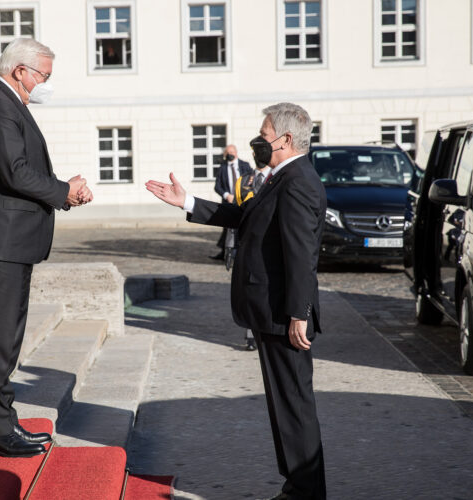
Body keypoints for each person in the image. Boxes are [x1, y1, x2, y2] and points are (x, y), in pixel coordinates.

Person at [146, 103, 326, 499]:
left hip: (284, 314)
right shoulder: (281, 177)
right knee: (284, 405)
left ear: (286, 139)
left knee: (294, 405)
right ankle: (297, 485)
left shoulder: (297, 180)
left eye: (264, 135)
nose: (258, 141)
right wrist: (188, 202)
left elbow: (301, 255)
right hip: (272, 312)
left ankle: (306, 491)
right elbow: (244, 216)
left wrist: (299, 312)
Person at [0, 38, 93, 458]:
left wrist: (60, 188)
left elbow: (18, 169)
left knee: (6, 335)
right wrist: (63, 192)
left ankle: (2, 418)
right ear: (19, 70)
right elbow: (15, 172)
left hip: (8, 238)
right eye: (43, 76)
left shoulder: (3, 102)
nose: (45, 84)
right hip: (1, 239)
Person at [232, 149, 272, 351]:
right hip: (247, 244)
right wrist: (230, 246)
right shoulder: (243, 181)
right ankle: (250, 336)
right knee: (248, 293)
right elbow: (235, 216)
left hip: (268, 247)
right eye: (256, 153)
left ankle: (265, 332)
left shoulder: (276, 178)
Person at [211, 145, 251, 260]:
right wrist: (226, 195)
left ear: (236, 153)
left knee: (241, 225)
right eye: (228, 152)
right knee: (227, 226)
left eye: (232, 152)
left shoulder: (245, 165)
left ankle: (239, 252)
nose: (230, 154)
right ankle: (225, 252)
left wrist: (244, 195)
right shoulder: (222, 167)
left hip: (242, 200)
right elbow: (217, 186)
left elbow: (250, 181)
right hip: (228, 201)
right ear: (224, 154)